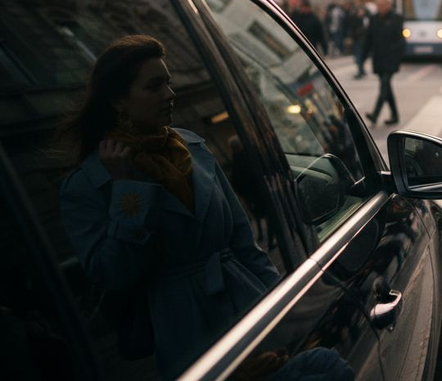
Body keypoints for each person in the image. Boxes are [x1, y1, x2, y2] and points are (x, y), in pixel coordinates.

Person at [57, 35, 279, 379]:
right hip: (184, 334)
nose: (170, 94)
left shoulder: (191, 146)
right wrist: (126, 190)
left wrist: (283, 308)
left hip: (249, 309)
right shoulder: (86, 184)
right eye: (154, 86)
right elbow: (112, 275)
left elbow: (242, 241)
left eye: (169, 82)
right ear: (119, 101)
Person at [364, 0, 406, 126]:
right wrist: (364, 56)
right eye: (378, 4)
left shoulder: (396, 18)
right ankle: (395, 115)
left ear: (389, 5)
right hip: (378, 58)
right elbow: (368, 38)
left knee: (384, 86)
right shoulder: (373, 18)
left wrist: (398, 56)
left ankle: (375, 115)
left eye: (382, 4)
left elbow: (400, 40)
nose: (380, 7)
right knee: (386, 87)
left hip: (391, 59)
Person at [349, 0, 372, 79]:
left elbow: (369, 21)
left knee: (361, 54)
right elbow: (350, 22)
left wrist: (363, 15)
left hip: (364, 36)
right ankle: (360, 70)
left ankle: (361, 70)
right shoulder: (354, 11)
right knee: (357, 54)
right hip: (356, 35)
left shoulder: (366, 11)